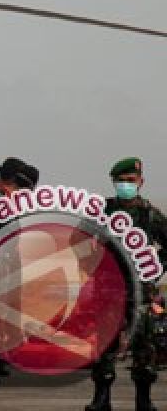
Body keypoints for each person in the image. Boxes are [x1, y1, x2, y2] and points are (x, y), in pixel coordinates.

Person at [87, 157, 167, 411]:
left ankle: (144, 399)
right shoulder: (103, 213)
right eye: (121, 181)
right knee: (104, 344)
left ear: (140, 182)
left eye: (130, 181)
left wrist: (155, 268)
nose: (125, 185)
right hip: (108, 289)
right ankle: (102, 398)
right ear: (114, 183)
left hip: (142, 291)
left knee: (145, 344)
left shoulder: (150, 214)